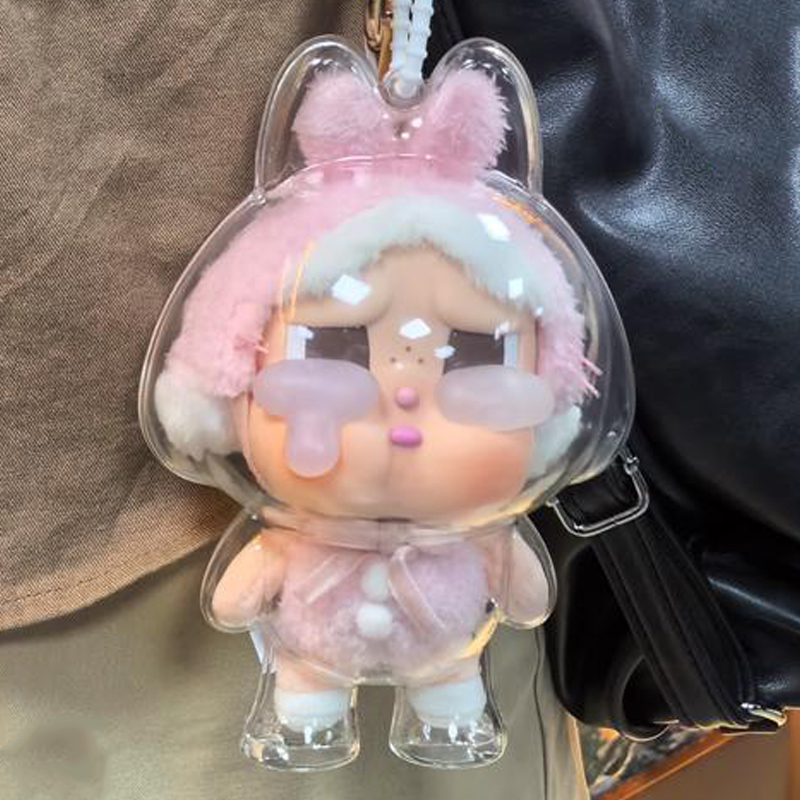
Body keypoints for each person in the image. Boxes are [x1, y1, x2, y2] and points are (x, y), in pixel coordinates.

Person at [0, 2, 589, 798]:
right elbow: (239, 596)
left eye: (473, 355)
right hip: (103, 567)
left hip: (438, 648)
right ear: (226, 385)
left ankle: (447, 708)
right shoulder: (285, 535)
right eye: (339, 348)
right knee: (296, 689)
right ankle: (310, 712)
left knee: (449, 703)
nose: (402, 401)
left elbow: (526, 595)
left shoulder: (479, 531)